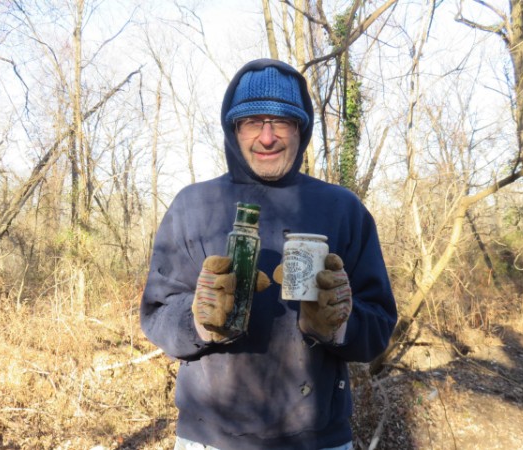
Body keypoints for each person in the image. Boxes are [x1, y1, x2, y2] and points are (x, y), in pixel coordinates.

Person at [140, 58, 397, 450]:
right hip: (208, 439)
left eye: (281, 122)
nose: (267, 137)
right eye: (252, 121)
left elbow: (378, 325)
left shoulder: (343, 209)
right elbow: (158, 313)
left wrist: (337, 325)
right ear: (233, 129)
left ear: (301, 128)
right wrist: (200, 321)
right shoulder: (193, 207)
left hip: (319, 440)